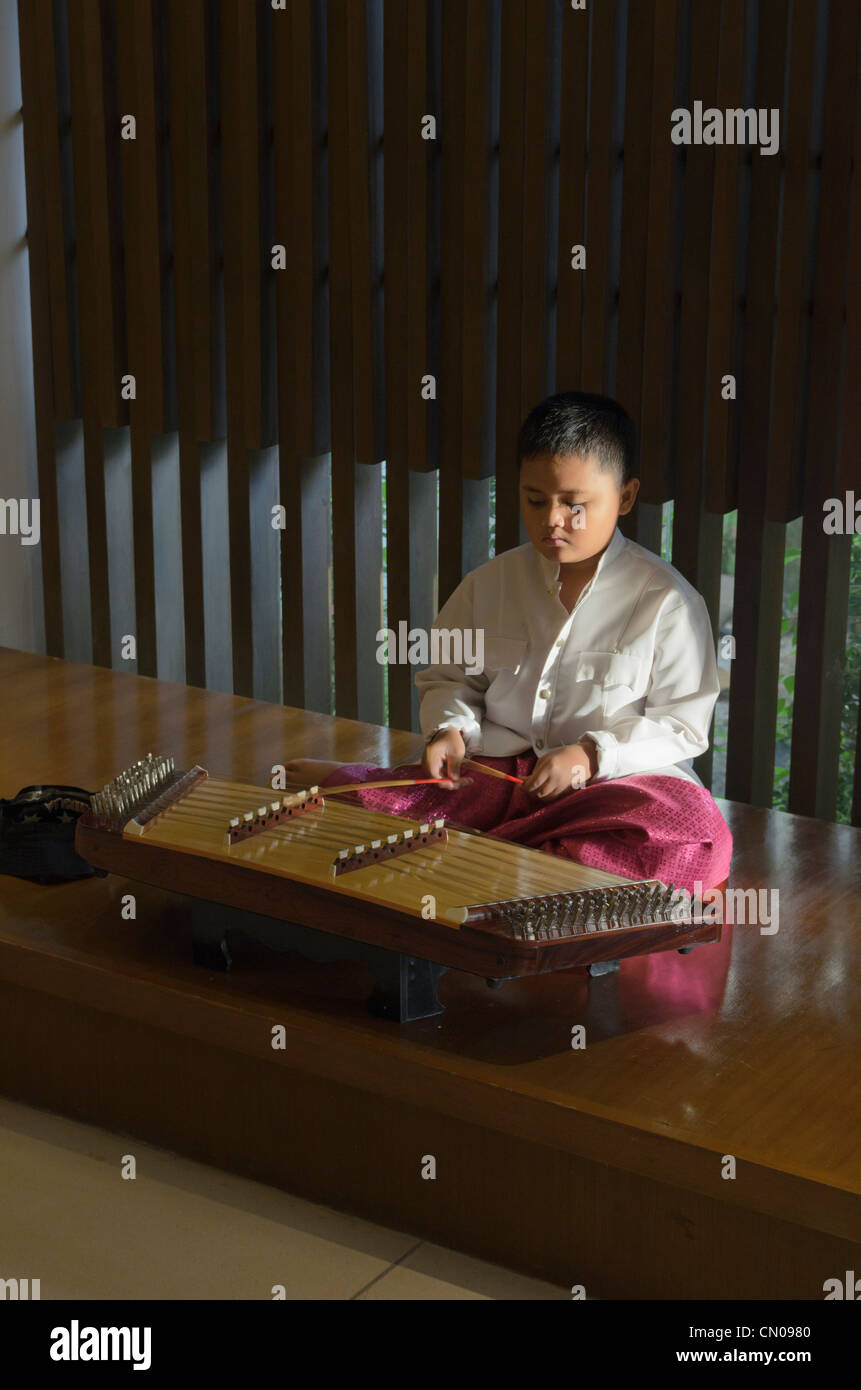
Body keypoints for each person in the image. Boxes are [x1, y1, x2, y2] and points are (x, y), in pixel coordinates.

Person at [288, 390, 732, 892]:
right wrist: (451, 732)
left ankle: (481, 853)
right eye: (535, 500)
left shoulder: (668, 601)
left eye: (575, 504)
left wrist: (591, 755)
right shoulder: (489, 585)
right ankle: (522, 859)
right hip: (500, 777)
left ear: (625, 497)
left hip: (610, 790)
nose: (552, 521)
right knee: (392, 804)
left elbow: (681, 726)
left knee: (696, 843)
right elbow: (450, 679)